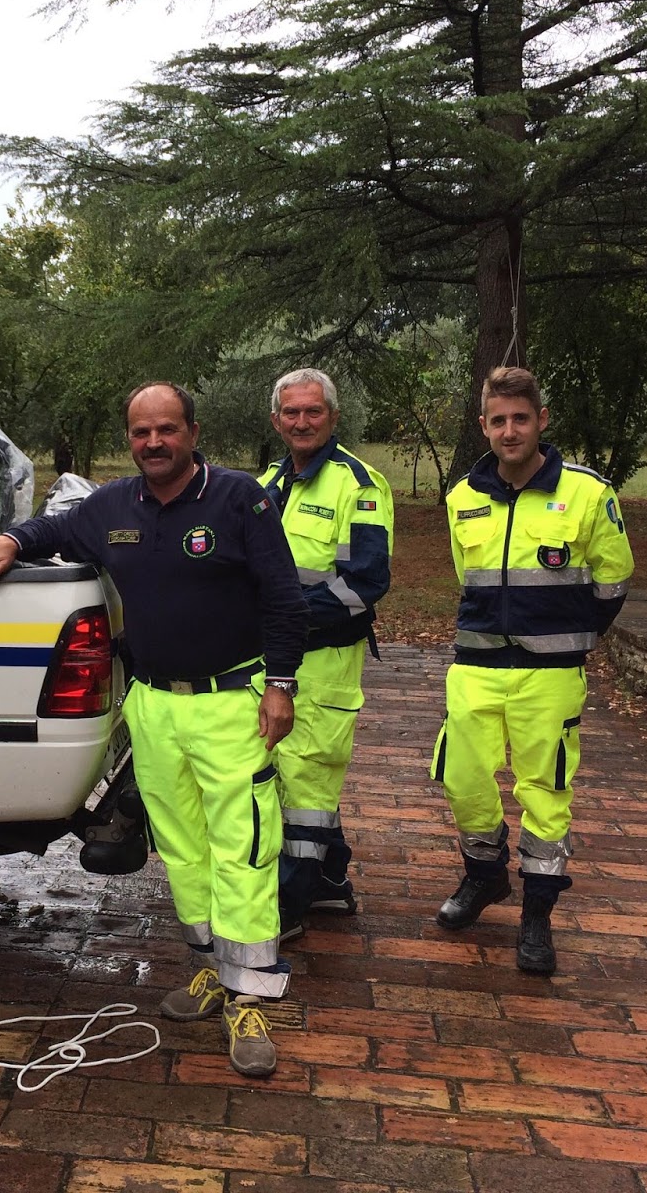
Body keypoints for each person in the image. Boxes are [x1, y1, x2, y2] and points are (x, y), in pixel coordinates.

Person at [0, 382, 306, 1078]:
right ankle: (211, 969)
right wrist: (12, 539)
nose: (154, 442)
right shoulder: (113, 506)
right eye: (142, 432)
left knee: (244, 847)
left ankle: (251, 997)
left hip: (231, 704)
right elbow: (55, 531)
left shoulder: (240, 499)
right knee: (181, 848)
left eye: (167, 429)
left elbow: (283, 595)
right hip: (152, 706)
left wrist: (282, 685)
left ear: (193, 432)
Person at [430, 366, 633, 974]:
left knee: (545, 793)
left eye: (521, 418)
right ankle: (485, 875)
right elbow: (465, 576)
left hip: (550, 673)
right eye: (499, 420)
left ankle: (538, 914)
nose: (510, 431)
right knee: (462, 778)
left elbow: (613, 579)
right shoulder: (463, 498)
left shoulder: (589, 493)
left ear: (541, 420)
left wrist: (569, 635)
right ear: (484, 426)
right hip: (476, 665)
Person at [260, 369, 393, 938]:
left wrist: (284, 621)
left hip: (324, 661)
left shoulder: (359, 485)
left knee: (306, 789)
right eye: (291, 412)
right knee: (288, 777)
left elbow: (365, 582)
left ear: (333, 417)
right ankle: (330, 882)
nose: (302, 422)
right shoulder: (267, 483)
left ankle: (286, 909)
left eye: (313, 411)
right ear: (276, 420)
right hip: (275, 660)